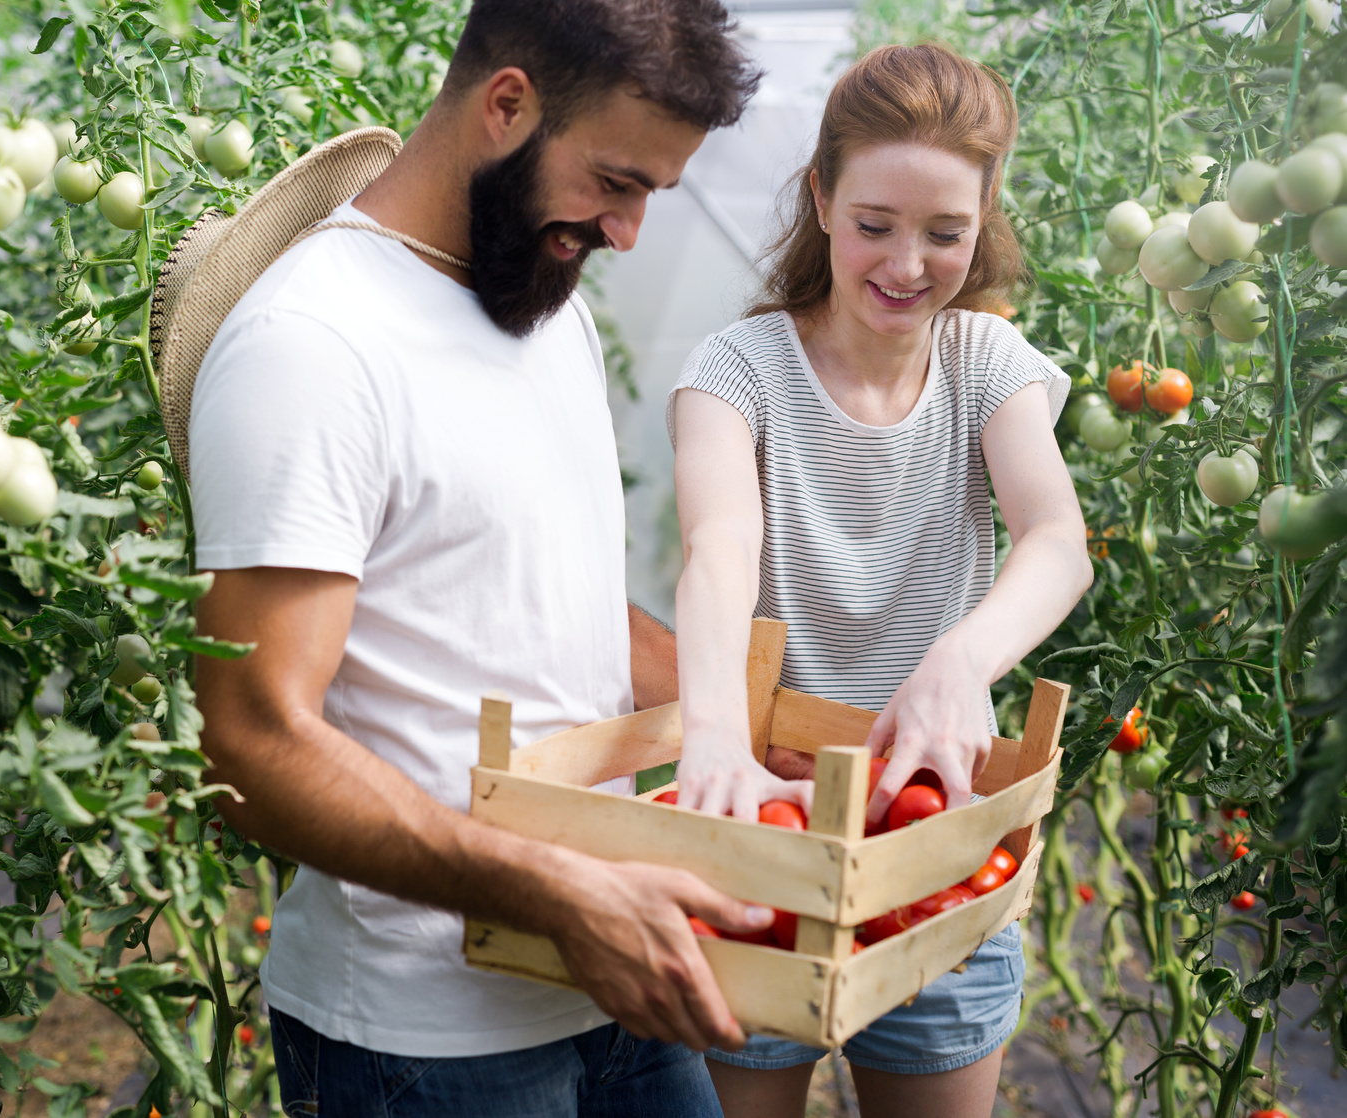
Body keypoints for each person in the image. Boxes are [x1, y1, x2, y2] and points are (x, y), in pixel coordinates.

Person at [188, 2, 769, 1114]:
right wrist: (553, 890)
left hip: (606, 978)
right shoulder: (314, 344)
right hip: (424, 1039)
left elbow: (562, 608)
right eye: (616, 181)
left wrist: (763, 730)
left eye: (654, 191)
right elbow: (251, 740)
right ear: (506, 104)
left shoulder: (541, 305)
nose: (628, 230)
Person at [668, 43, 1092, 1118]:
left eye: (944, 232)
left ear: (984, 212)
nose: (906, 264)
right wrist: (711, 729)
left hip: (934, 836)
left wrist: (957, 660)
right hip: (763, 817)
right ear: (819, 198)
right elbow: (720, 545)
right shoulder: (737, 371)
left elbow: (1055, 539)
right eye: (873, 225)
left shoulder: (985, 366)